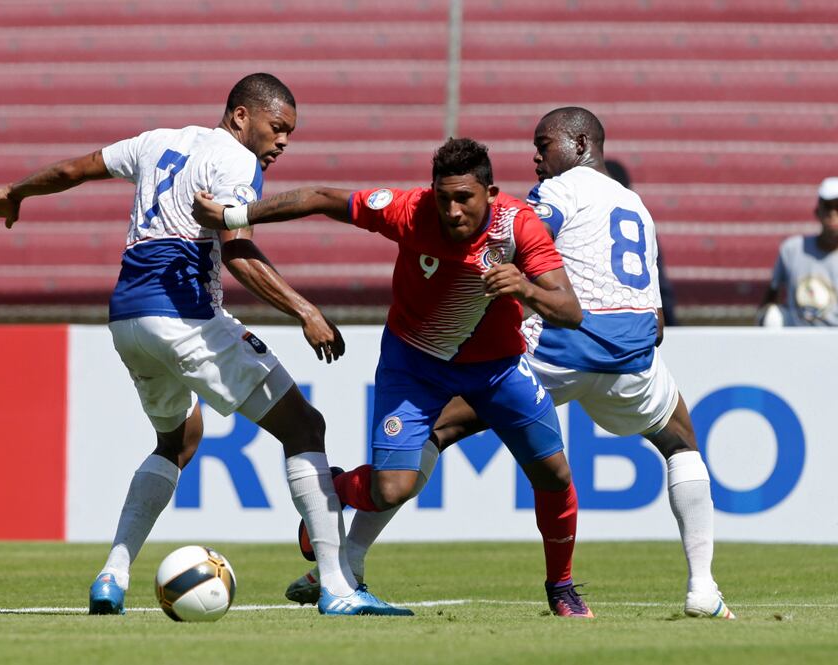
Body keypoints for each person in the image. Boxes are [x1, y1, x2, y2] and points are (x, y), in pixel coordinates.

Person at [0, 73, 410, 617]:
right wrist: (305, 311)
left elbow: (74, 169)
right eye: (277, 127)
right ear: (241, 116)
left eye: (290, 132)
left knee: (178, 440)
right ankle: (337, 587)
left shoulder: (155, 141)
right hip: (185, 318)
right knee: (305, 427)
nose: (283, 141)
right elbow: (237, 252)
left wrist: (15, 192)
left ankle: (112, 575)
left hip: (128, 320)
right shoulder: (236, 161)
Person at [267, 108, 737, 620]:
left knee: (437, 436)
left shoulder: (554, 194)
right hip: (631, 355)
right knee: (680, 442)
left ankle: (347, 542)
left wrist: (518, 283)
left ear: (580, 144)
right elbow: (657, 319)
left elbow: (516, 240)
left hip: (548, 351)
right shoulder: (635, 205)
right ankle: (702, 587)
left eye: (544, 145)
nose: (536, 157)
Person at [193, 137, 595, 618]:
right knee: (391, 489)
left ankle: (561, 589)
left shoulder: (518, 225)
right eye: (443, 197)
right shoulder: (408, 210)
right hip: (415, 366)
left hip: (498, 370)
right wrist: (234, 216)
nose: (452, 210)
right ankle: (336, 490)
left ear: (490, 194)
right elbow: (321, 197)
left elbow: (570, 311)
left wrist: (525, 288)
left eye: (464, 198)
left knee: (554, 475)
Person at [759, 177, 838, 326]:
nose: (833, 213)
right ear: (818, 211)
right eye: (828, 206)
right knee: (772, 317)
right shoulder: (792, 250)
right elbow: (772, 294)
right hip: (797, 337)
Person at [604, 159, 679, 326]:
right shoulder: (640, 219)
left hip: (601, 316)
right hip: (640, 318)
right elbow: (659, 284)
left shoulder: (590, 220)